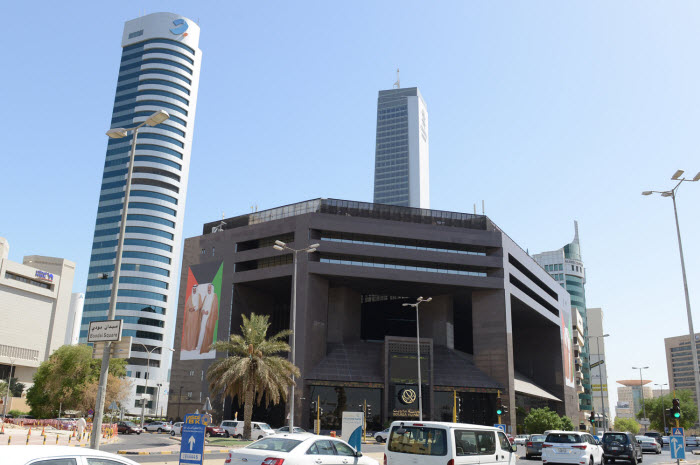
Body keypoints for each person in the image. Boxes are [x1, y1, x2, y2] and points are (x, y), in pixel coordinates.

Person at [197, 284, 219, 354]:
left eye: (210, 288)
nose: (208, 289)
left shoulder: (214, 296)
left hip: (210, 317)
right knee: (202, 330)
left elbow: (215, 307)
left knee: (208, 331)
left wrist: (208, 312)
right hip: (204, 316)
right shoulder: (206, 296)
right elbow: (203, 306)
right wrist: (203, 310)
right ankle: (200, 345)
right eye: (208, 288)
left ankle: (207, 347)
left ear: (212, 289)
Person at [182, 285, 202, 351]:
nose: (194, 290)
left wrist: (195, 309)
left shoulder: (199, 296)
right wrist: (189, 309)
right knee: (188, 330)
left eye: (195, 289)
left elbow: (200, 305)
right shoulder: (190, 297)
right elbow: (187, 306)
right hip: (189, 317)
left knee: (194, 331)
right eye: (193, 289)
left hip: (195, 316)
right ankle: (187, 346)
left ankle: (193, 346)